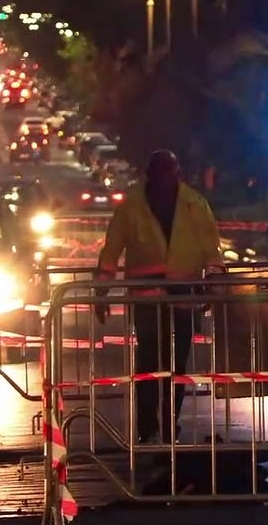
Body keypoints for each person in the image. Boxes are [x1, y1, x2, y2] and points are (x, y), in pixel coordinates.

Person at [95, 150, 224, 444]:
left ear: (177, 174)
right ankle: (149, 427)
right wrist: (101, 288)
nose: (165, 180)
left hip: (182, 297)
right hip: (148, 301)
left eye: (169, 173)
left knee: (176, 366)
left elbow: (211, 249)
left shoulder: (194, 205)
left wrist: (213, 280)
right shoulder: (132, 207)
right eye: (160, 174)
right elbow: (112, 249)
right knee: (150, 365)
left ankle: (168, 425)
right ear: (150, 175)